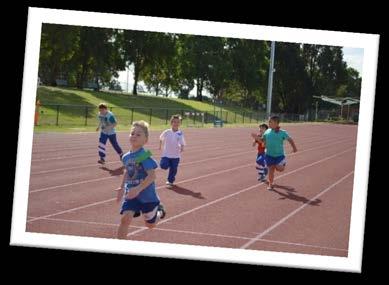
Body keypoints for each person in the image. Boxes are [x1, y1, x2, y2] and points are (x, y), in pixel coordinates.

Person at [116, 120, 166, 239]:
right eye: (132, 133)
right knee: (125, 219)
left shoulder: (144, 155)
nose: (134, 136)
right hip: (131, 195)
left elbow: (152, 176)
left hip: (147, 196)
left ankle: (159, 211)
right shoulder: (125, 156)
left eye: (139, 134)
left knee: (150, 225)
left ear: (145, 140)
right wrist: (122, 187)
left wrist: (138, 189)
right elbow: (127, 171)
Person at [252, 116, 297, 190]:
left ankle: (281, 164)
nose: (268, 123)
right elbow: (263, 141)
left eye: (270, 122)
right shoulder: (267, 131)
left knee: (280, 169)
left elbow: (290, 140)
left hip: (279, 155)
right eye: (268, 121)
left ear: (276, 123)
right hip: (269, 155)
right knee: (271, 171)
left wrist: (294, 148)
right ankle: (270, 184)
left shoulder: (282, 132)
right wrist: (257, 138)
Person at [159, 114, 186, 188]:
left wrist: (182, 147)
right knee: (163, 166)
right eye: (174, 122)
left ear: (180, 123)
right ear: (171, 123)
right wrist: (160, 146)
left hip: (176, 155)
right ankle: (167, 164)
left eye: (178, 122)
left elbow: (182, 142)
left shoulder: (180, 133)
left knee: (174, 169)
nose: (176, 123)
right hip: (166, 154)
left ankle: (170, 181)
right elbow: (161, 138)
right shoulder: (167, 131)